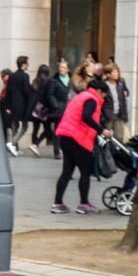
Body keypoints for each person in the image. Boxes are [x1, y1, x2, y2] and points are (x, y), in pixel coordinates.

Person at [51, 79, 112, 214]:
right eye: (104, 95)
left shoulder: (80, 96)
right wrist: (102, 130)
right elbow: (86, 117)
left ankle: (57, 203)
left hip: (65, 137)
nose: (104, 99)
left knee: (66, 172)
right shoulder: (92, 99)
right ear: (99, 91)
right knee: (85, 172)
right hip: (78, 140)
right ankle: (84, 204)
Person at [42, 60, 72, 159]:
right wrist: (56, 105)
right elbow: (50, 94)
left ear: (68, 69)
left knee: (67, 131)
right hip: (59, 108)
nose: (61, 69)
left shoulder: (71, 80)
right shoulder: (54, 80)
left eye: (63, 67)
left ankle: (66, 149)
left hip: (69, 108)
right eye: (60, 67)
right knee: (58, 130)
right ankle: (57, 151)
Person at [5, 56, 34, 156]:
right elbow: (26, 91)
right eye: (27, 63)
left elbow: (8, 91)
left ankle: (15, 148)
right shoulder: (25, 76)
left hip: (13, 104)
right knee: (24, 126)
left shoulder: (12, 76)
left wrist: (8, 106)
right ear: (23, 64)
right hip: (22, 105)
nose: (28, 64)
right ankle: (13, 143)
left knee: (15, 126)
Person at [101, 63, 130, 141]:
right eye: (114, 72)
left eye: (117, 72)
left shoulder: (120, 85)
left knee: (119, 137)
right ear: (108, 74)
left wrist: (125, 118)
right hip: (107, 115)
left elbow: (123, 102)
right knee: (106, 137)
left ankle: (117, 153)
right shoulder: (103, 85)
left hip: (119, 115)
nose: (116, 74)